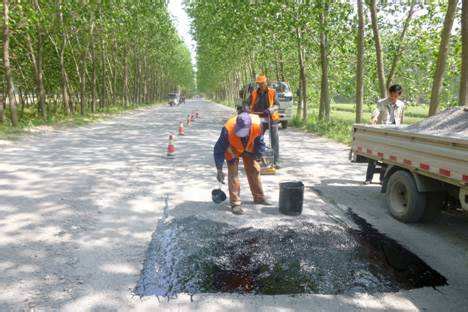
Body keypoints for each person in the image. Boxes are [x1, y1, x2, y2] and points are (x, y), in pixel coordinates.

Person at [214, 112, 270, 215]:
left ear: (250, 127)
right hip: (232, 149)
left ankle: (259, 198)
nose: (240, 132)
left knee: (254, 170)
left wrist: (259, 154)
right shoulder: (228, 129)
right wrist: (219, 169)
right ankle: (235, 203)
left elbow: (260, 142)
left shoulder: (257, 125)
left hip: (249, 147)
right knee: (233, 174)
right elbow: (218, 149)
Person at [364, 84, 405, 184]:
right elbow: (377, 110)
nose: (393, 98)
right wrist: (374, 117)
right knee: (374, 155)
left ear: (399, 95)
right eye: (391, 95)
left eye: (396, 96)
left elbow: (402, 118)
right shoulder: (382, 102)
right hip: (382, 131)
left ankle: (382, 179)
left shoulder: (401, 104)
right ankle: (368, 179)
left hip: (394, 132)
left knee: (387, 156)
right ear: (389, 93)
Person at [247, 75, 281, 168]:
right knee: (256, 139)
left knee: (274, 140)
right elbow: (246, 104)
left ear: (266, 82)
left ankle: (276, 161)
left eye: (262, 83)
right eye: (259, 84)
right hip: (258, 118)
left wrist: (270, 110)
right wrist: (246, 110)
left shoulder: (272, 92)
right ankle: (258, 159)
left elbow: (277, 105)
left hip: (271, 118)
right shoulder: (254, 93)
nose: (261, 85)